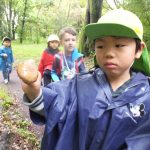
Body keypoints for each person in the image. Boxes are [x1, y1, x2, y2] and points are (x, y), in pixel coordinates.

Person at [20, 9, 150, 150]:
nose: (109, 53)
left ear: (138, 50)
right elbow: (55, 105)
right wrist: (35, 91)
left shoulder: (146, 97)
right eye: (101, 46)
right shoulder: (78, 86)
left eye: (119, 45)